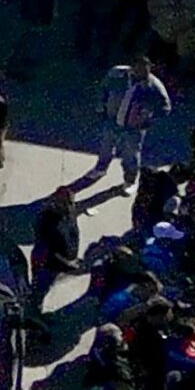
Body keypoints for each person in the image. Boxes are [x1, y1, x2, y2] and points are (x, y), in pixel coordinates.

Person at [90, 55, 173, 191]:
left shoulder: (153, 85)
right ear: (132, 68)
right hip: (112, 120)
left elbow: (165, 107)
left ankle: (130, 180)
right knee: (106, 146)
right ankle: (100, 168)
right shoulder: (117, 74)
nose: (144, 74)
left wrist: (148, 120)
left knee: (131, 155)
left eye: (147, 70)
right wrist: (101, 107)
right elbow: (104, 88)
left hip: (133, 128)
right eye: (140, 70)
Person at [29, 183, 84, 311]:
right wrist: (68, 261)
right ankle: (33, 309)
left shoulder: (68, 214)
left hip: (55, 260)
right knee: (39, 287)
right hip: (47, 261)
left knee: (42, 285)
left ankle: (34, 303)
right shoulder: (50, 221)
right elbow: (48, 244)